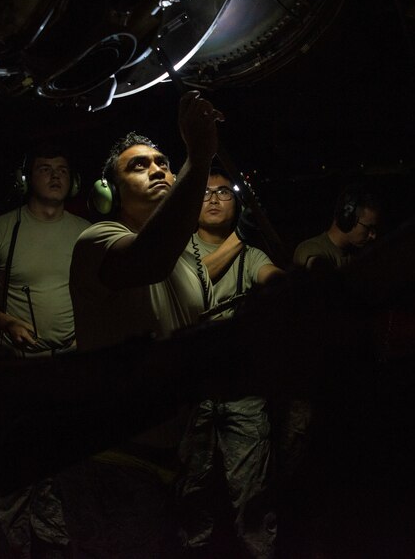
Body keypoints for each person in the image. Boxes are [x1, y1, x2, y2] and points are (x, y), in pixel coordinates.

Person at [0, 143, 89, 559]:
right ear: (26, 179)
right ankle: (5, 546)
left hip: (69, 368)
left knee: (61, 467)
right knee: (16, 469)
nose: (55, 176)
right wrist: (7, 322)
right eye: (45, 169)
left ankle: (53, 544)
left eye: (63, 169)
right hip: (19, 372)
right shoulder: (0, 229)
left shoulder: (87, 232)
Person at [175, 169, 285, 558]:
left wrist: (289, 284)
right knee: (191, 489)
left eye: (224, 192)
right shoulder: (179, 249)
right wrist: (241, 235)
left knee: (252, 492)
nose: (215, 198)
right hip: (192, 389)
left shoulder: (253, 254)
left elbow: (271, 276)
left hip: (243, 389)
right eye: (205, 192)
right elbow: (197, 279)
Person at [69, 90, 223, 352]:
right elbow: (150, 261)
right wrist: (198, 159)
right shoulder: (96, 240)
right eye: (139, 166)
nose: (157, 172)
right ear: (111, 194)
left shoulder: (187, 256)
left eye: (163, 164)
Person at [292, 184, 381, 270]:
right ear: (348, 220)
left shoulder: (354, 253)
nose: (373, 236)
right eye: (368, 228)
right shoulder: (311, 250)